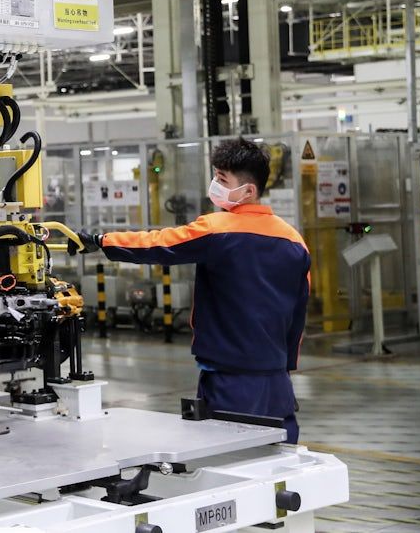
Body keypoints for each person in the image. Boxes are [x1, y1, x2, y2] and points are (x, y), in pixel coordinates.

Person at [74, 137, 311, 442]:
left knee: (228, 458)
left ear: (249, 191)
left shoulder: (218, 229)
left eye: (222, 179)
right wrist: (284, 365)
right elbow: (299, 313)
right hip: (277, 379)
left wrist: (100, 240)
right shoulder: (294, 241)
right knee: (280, 459)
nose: (215, 184)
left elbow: (158, 243)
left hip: (229, 380)